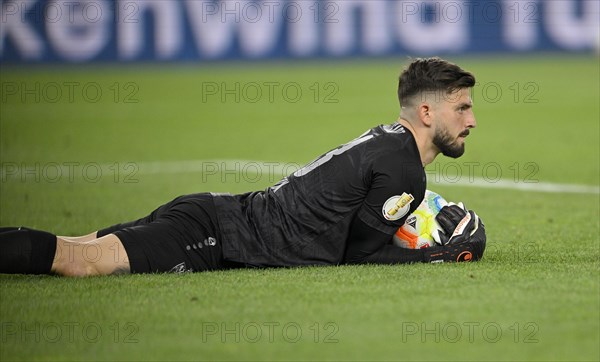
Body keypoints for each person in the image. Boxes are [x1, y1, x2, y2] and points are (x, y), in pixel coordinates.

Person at [0, 57, 486, 277]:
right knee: (76, 262)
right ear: (427, 112)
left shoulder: (388, 143)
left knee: (74, 246)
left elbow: (359, 237)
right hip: (218, 235)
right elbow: (358, 258)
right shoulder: (403, 170)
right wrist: (434, 256)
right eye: (461, 108)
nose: (472, 120)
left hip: (213, 214)